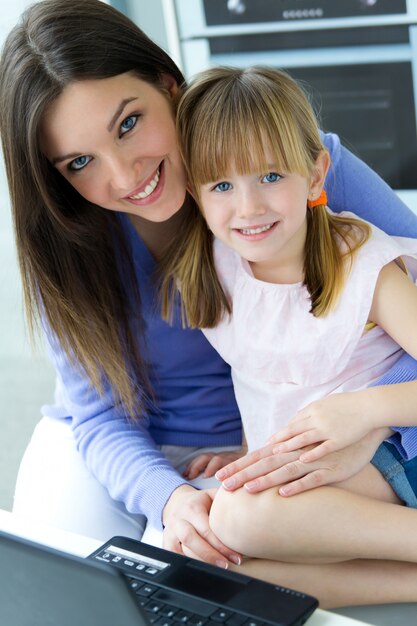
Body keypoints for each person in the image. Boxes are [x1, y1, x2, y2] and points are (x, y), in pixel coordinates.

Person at [1, 0, 417, 607]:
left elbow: (402, 306)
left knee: (186, 581)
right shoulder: (71, 247)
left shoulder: (293, 168)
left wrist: (368, 417)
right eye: (80, 162)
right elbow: (97, 416)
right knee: (47, 589)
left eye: (128, 123)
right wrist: (167, 497)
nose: (125, 176)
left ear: (169, 86)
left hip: (305, 430)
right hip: (137, 441)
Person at [169, 65, 417, 606]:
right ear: (196, 193)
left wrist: (363, 411)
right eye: (223, 185)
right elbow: (270, 370)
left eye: (271, 177)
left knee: (236, 518)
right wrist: (247, 449)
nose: (250, 207)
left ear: (316, 174)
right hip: (318, 473)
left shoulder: (362, 264)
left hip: (391, 454)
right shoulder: (220, 268)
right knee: (211, 558)